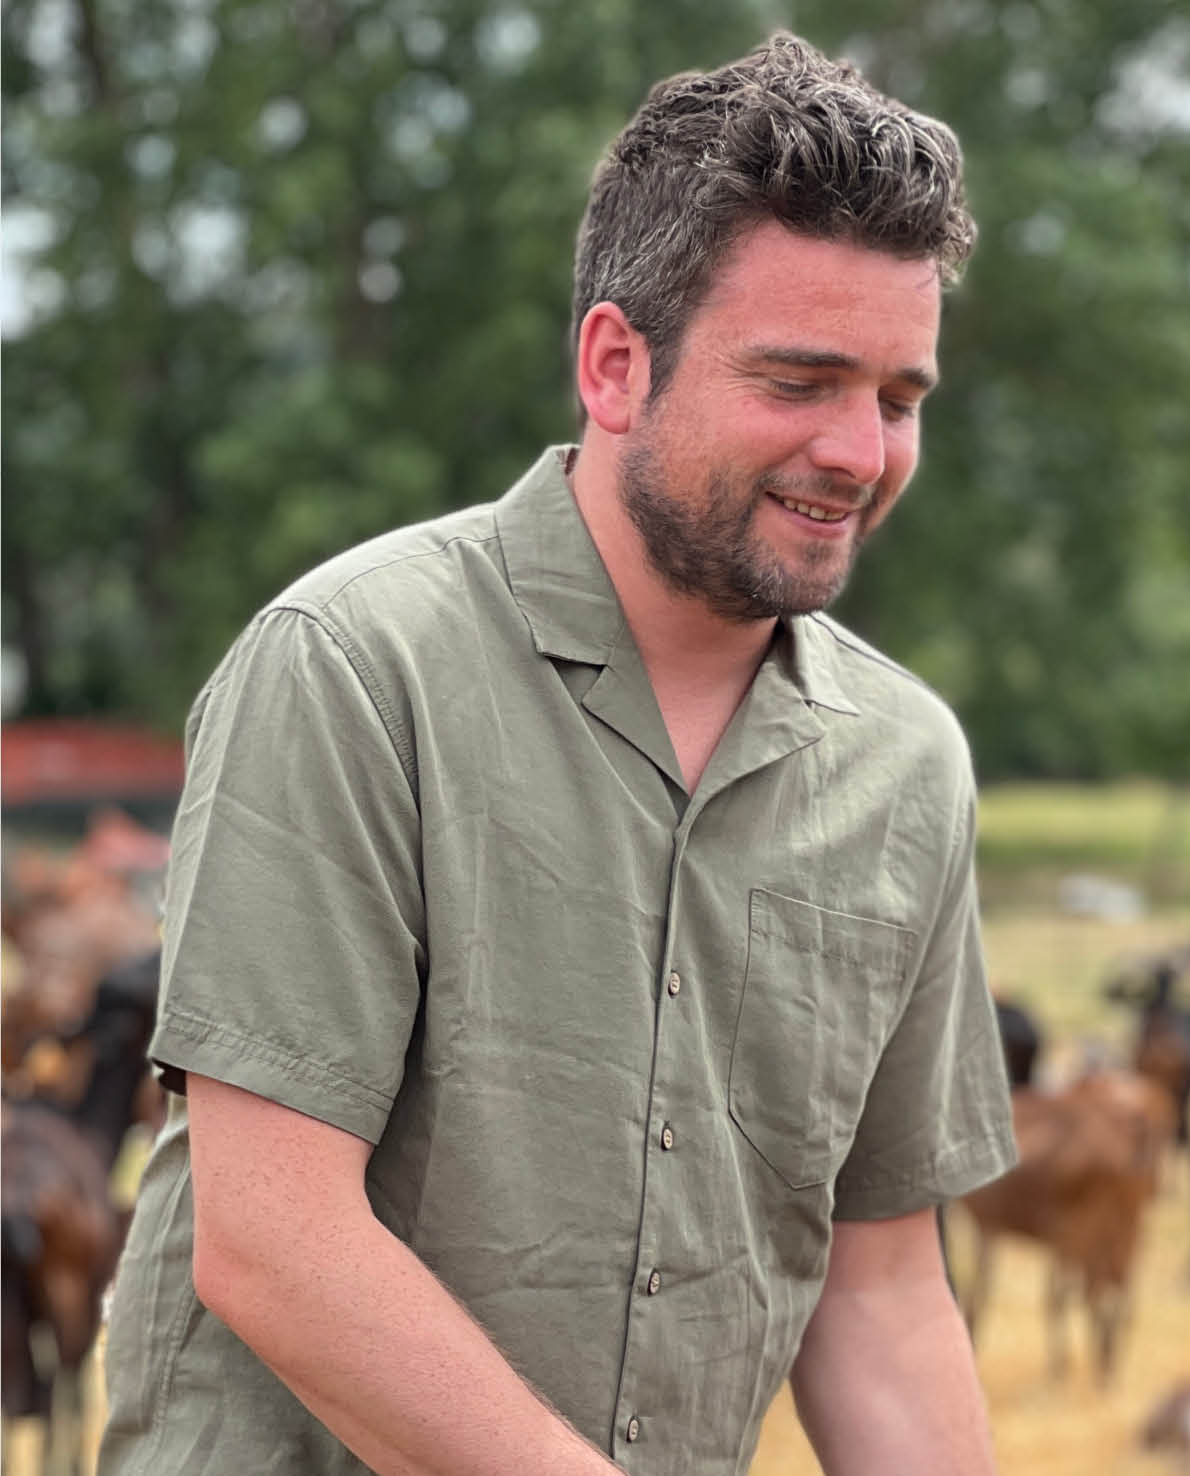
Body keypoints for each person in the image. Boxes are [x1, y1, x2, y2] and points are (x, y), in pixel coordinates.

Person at [98, 33, 1015, 1476]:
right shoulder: (354, 667)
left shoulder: (907, 766)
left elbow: (880, 1289)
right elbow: (272, 1239)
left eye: (899, 400)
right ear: (615, 365)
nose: (859, 451)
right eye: (799, 381)